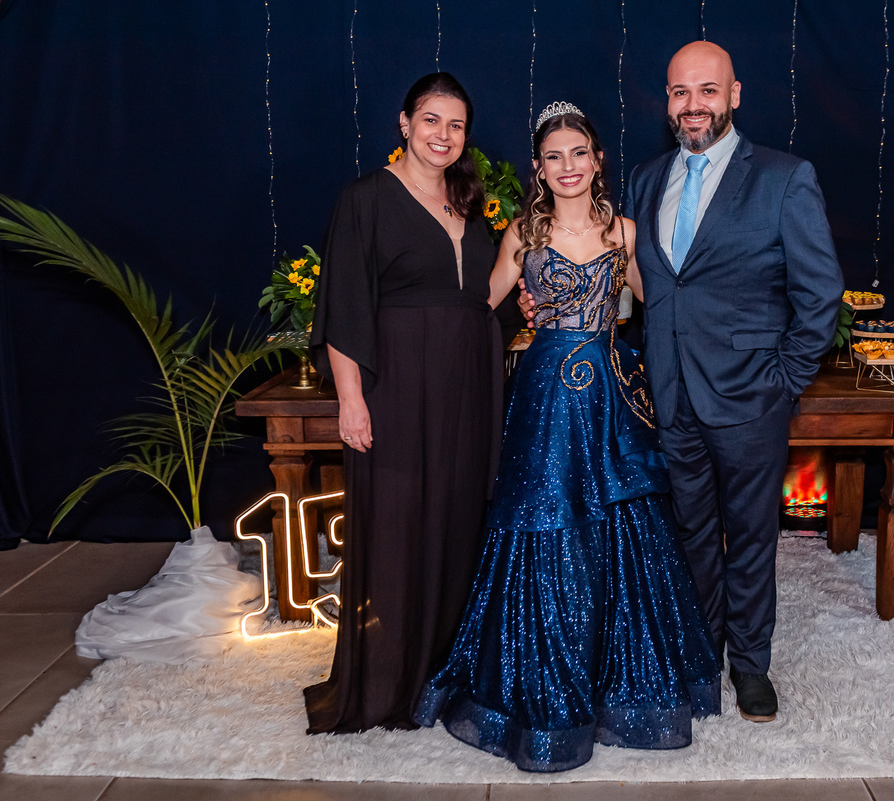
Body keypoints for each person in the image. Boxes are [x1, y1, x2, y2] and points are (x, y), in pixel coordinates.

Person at [521, 42, 843, 722]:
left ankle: (749, 664)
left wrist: (784, 379)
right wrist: (543, 297)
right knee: (689, 534)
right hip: (666, 395)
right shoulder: (646, 179)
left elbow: (820, 296)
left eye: (706, 90)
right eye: (679, 92)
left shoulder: (785, 178)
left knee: (750, 536)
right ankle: (699, 654)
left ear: (734, 95)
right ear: (667, 102)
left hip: (751, 395)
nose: (692, 105)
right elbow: (633, 284)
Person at [415, 104, 721, 773]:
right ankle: (542, 677)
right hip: (545, 396)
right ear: (539, 168)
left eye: (579, 153)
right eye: (554, 157)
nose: (568, 167)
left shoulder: (625, 231)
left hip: (610, 391)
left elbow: (663, 305)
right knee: (544, 519)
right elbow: (476, 308)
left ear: (597, 159)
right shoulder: (523, 233)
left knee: (620, 522)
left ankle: (619, 680)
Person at [304, 73, 502, 733]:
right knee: (396, 529)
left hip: (467, 392)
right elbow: (344, 305)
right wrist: (350, 399)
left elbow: (478, 300)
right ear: (404, 123)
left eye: (456, 125)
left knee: (458, 523)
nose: (443, 135)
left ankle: (445, 671)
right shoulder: (365, 199)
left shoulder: (468, 202)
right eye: (431, 120)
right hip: (395, 389)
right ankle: (390, 677)